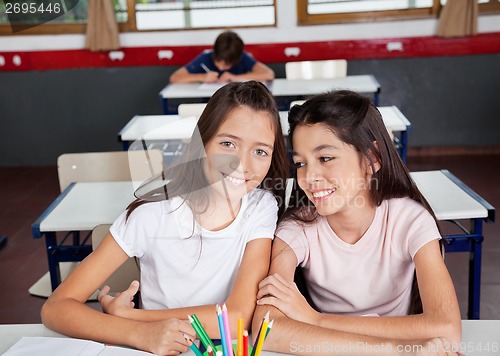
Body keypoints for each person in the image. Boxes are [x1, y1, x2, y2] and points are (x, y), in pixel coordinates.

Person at [41, 81, 289, 355]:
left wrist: (131, 317)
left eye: (260, 151)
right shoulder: (152, 213)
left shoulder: (261, 207)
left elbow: (236, 319)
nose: (242, 164)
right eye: (228, 143)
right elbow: (56, 308)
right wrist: (138, 333)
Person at [253, 90, 462, 355]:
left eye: (325, 158)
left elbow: (447, 329)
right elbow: (265, 329)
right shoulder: (297, 229)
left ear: (371, 159)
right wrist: (397, 351)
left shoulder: (410, 220)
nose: (310, 176)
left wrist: (317, 320)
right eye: (300, 163)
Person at [169, 30, 275, 84]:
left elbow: (269, 74)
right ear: (214, 52)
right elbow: (175, 78)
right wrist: (203, 77)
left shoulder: (242, 57)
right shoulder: (206, 57)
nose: (220, 68)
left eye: (226, 65)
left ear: (236, 60)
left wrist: (234, 77)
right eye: (218, 61)